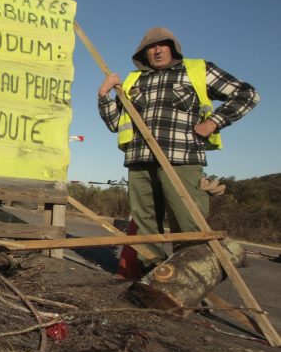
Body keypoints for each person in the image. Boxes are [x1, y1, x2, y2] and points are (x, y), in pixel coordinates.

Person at [97, 26, 258, 272]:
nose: (158, 50)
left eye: (163, 44)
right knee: (144, 227)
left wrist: (214, 122)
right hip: (139, 160)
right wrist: (103, 94)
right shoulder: (133, 81)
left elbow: (247, 94)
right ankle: (153, 279)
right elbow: (114, 124)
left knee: (187, 224)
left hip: (181, 159)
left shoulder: (197, 70)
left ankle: (187, 279)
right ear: (144, 53)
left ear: (172, 48)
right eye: (151, 46)